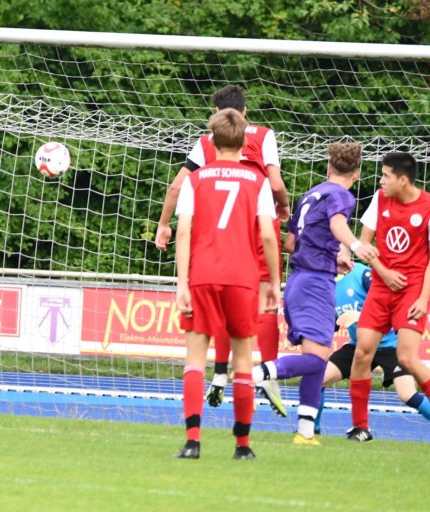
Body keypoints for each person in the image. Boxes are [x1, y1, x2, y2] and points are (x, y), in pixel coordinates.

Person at [156, 85, 290, 408]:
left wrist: (163, 224)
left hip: (220, 231)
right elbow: (274, 183)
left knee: (220, 298)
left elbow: (176, 187)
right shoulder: (265, 135)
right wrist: (283, 205)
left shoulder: (208, 141)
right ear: (245, 112)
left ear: (216, 115)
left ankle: (218, 375)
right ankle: (267, 374)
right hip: (258, 221)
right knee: (264, 302)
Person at [252, 142, 378, 445]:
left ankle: (305, 432)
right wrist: (355, 246)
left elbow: (291, 244)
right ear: (357, 174)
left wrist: (332, 257)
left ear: (328, 167)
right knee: (318, 362)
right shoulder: (341, 196)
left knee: (315, 359)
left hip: (298, 280)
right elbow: (337, 223)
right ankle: (258, 374)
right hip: (316, 284)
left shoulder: (310, 195)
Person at [173, 108, 281, 460]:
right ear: (245, 141)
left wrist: (182, 283)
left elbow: (184, 232)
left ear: (211, 141)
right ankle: (242, 446)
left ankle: (192, 442)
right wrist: (273, 281)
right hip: (242, 277)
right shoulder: (257, 181)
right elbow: (268, 235)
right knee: (243, 360)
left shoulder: (195, 179)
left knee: (195, 359)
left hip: (203, 275)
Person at [341, 152, 430, 448]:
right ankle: (360, 427)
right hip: (381, 288)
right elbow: (365, 243)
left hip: (411, 292)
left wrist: (423, 297)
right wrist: (384, 272)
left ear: (403, 180)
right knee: (362, 353)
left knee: (407, 358)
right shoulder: (379, 200)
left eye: (386, 176)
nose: (381, 181)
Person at [314, 262, 430, 445]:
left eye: (337, 249)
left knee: (407, 394)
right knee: (316, 380)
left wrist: (360, 317)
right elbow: (332, 323)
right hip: (359, 346)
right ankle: (312, 430)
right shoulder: (327, 285)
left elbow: (387, 303)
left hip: (390, 345)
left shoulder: (363, 275)